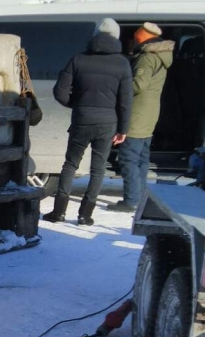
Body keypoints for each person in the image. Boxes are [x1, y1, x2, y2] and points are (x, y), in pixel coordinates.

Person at [43, 17, 132, 226]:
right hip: (108, 123)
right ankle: (85, 215)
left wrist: (76, 104)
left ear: (95, 36)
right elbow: (126, 101)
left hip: (82, 120)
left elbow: (60, 91)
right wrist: (123, 128)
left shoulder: (78, 59)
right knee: (98, 169)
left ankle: (58, 212)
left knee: (70, 164)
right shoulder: (122, 63)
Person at [110, 21, 175, 212]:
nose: (133, 39)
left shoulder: (147, 58)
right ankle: (140, 196)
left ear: (143, 38)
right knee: (142, 158)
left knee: (129, 158)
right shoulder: (161, 55)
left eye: (137, 35)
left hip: (136, 114)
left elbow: (138, 85)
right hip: (149, 113)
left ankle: (131, 200)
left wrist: (117, 86)